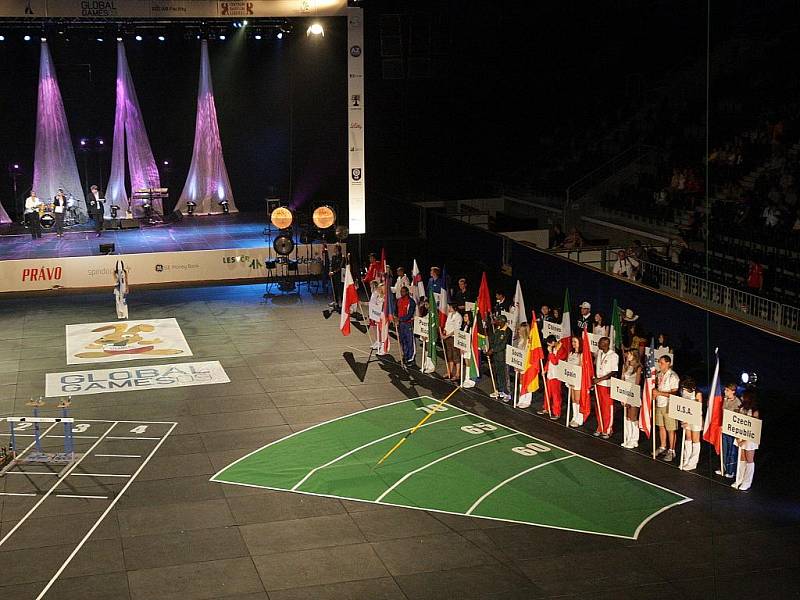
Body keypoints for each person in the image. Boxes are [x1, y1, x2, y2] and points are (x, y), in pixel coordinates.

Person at [652, 355, 680, 461]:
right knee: (661, 426)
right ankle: (663, 446)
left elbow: (674, 393)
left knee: (671, 429)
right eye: (659, 362)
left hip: (669, 405)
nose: (659, 364)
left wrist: (659, 393)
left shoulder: (673, 376)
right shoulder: (659, 375)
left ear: (668, 363)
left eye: (662, 363)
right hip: (659, 403)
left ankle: (671, 450)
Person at [731, 389, 759, 491]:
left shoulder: (754, 412)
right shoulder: (741, 409)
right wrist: (738, 438)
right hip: (740, 437)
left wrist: (745, 440)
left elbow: (753, 429)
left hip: (749, 440)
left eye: (743, 396)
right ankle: (739, 479)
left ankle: (747, 482)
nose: (741, 397)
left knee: (749, 460)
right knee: (741, 458)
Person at [593, 336, 619, 438]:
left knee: (607, 408)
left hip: (607, 385)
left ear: (606, 344)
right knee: (598, 406)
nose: (598, 344)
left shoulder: (614, 356)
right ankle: (600, 427)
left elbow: (613, 372)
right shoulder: (599, 352)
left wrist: (599, 379)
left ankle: (608, 429)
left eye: (600, 342)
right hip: (598, 384)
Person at [716, 383, 741, 479]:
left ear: (733, 391)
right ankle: (723, 467)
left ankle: (731, 471)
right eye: (725, 390)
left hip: (732, 430)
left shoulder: (737, 403)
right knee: (724, 449)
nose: (725, 392)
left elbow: (737, 418)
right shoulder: (725, 400)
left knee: (732, 451)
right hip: (724, 429)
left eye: (727, 390)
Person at [678, 376, 703, 470]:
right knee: (688, 438)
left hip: (695, 419)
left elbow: (698, 408)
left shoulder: (697, 393)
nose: (683, 388)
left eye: (685, 387)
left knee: (695, 440)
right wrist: (684, 420)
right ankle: (686, 459)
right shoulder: (682, 391)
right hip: (686, 418)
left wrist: (689, 420)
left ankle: (693, 463)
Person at [620, 350, 642, 448]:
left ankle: (634, 440)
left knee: (633, 418)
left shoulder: (638, 368)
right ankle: (628, 438)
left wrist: (629, 397)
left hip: (634, 395)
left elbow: (637, 384)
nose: (627, 355)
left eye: (629, 354)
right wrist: (622, 396)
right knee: (628, 418)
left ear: (634, 356)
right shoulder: (625, 366)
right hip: (625, 393)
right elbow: (622, 380)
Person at [542, 334, 566, 419]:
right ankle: (546, 408)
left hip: (556, 376)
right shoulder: (552, 348)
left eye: (549, 344)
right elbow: (549, 361)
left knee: (556, 395)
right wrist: (545, 369)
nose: (548, 346)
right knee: (547, 393)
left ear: (553, 342)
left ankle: (557, 412)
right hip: (550, 374)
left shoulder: (562, 350)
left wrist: (551, 352)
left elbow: (555, 362)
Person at [489, 314, 512, 401]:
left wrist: (493, 350)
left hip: (504, 357)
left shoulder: (508, 331)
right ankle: (499, 390)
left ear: (502, 322)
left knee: (505, 375)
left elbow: (503, 345)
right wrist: (490, 348)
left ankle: (507, 393)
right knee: (498, 374)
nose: (497, 322)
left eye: (498, 321)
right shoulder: (498, 329)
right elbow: (493, 340)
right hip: (496, 357)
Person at [394, 286, 417, 366]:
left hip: (408, 324)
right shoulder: (399, 300)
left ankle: (411, 358)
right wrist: (396, 317)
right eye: (401, 291)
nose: (401, 293)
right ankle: (405, 355)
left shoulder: (411, 302)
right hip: (401, 325)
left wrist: (400, 319)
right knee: (402, 341)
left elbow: (410, 314)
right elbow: (396, 310)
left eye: (403, 291)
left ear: (407, 292)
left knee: (409, 341)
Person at [566, 335, 584, 427]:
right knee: (573, 399)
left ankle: (579, 418)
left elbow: (581, 367)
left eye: (575, 342)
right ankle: (574, 416)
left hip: (577, 379)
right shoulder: (571, 353)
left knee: (578, 399)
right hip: (570, 378)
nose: (573, 344)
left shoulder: (582, 354)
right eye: (572, 342)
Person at [442, 303, 462, 380]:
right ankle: (449, 372)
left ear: (454, 308)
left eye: (450, 307)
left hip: (454, 338)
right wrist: (444, 331)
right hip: (447, 338)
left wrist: (446, 336)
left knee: (456, 356)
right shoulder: (449, 314)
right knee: (449, 355)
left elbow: (456, 330)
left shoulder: (458, 316)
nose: (449, 308)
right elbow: (447, 325)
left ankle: (457, 374)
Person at [515, 322, 532, 408]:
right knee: (521, 381)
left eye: (520, 330)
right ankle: (521, 398)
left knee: (527, 382)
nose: (518, 331)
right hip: (520, 364)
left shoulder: (528, 342)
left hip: (527, 365)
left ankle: (527, 400)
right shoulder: (520, 340)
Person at [328, 245, 344, 311]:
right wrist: (330, 271)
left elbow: (340, 267)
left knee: (340, 290)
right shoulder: (333, 257)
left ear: (337, 249)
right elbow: (332, 265)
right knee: (334, 290)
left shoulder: (342, 257)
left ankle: (343, 304)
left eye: (335, 248)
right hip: (334, 276)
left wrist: (334, 272)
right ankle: (336, 303)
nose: (334, 249)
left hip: (340, 276)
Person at [368, 280, 382, 350]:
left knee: (376, 328)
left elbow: (376, 303)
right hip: (371, 311)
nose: (370, 286)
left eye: (371, 285)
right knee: (373, 328)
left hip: (375, 312)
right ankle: (377, 341)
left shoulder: (376, 293)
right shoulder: (373, 292)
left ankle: (379, 342)